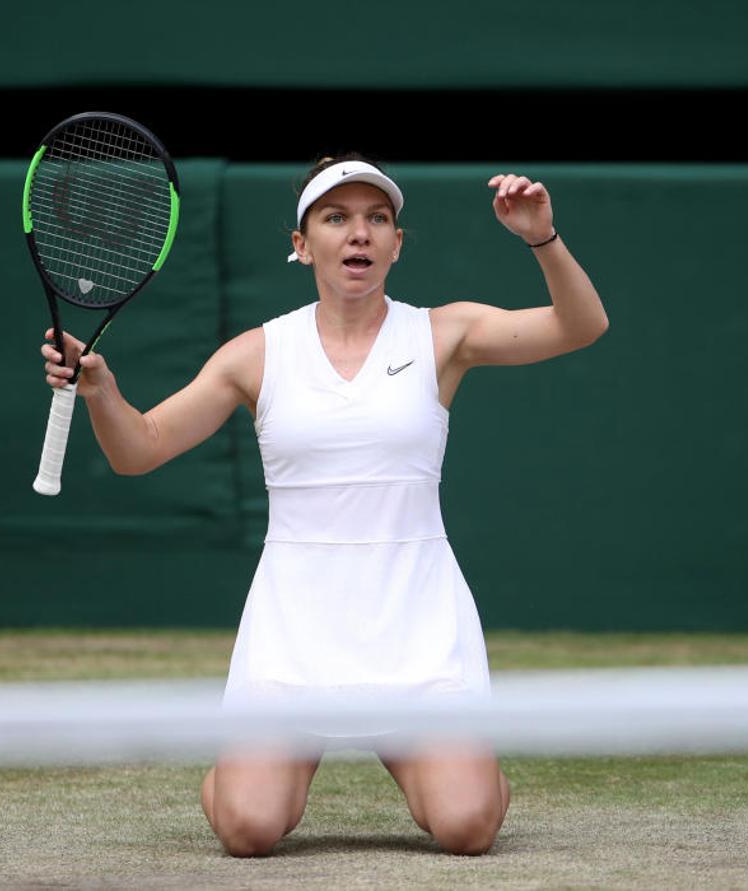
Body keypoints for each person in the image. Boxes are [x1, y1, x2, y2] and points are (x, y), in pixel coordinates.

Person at [40, 154, 608, 857]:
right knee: (247, 828)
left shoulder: (445, 334)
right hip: (295, 631)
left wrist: (541, 238)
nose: (358, 233)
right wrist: (101, 391)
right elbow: (141, 448)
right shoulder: (255, 353)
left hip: (416, 626)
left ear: (398, 243)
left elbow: (581, 325)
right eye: (336, 218)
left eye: (377, 219)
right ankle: (242, 767)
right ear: (303, 244)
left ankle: (469, 772)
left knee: (468, 826)